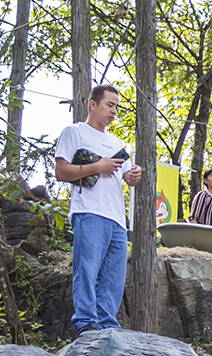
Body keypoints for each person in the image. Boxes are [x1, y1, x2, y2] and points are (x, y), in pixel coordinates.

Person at [54, 84, 145, 334]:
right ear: (92, 104)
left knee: (114, 277)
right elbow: (61, 171)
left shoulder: (117, 141)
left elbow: (128, 178)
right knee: (87, 268)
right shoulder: (74, 132)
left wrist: (134, 174)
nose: (114, 111)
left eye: (117, 106)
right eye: (109, 105)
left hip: (117, 217)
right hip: (89, 211)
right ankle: (85, 322)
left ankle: (106, 325)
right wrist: (98, 166)